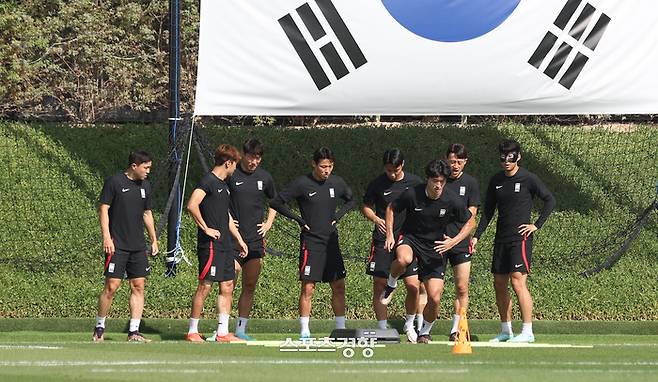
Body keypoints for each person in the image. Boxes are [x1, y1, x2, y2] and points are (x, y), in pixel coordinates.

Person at [380, 159, 474, 344]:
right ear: (427, 179)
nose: (438, 186)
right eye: (435, 181)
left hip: (435, 248)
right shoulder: (412, 194)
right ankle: (391, 284)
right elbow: (391, 208)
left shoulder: (451, 199)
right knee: (403, 259)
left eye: (442, 182)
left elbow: (470, 221)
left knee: (435, 296)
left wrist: (454, 241)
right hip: (411, 239)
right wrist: (390, 235)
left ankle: (425, 331)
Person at [471, 139, 555, 343]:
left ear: (518, 156)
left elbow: (550, 200)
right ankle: (506, 331)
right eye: (503, 157)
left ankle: (527, 331)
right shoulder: (496, 180)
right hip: (501, 239)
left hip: (520, 239)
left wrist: (536, 224)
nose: (507, 161)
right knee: (499, 283)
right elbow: (488, 212)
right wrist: (476, 236)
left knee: (518, 282)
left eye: (511, 157)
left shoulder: (528, 178)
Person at [270, 147, 355, 338]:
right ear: (314, 164)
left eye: (330, 166)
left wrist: (337, 217)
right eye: (323, 166)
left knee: (338, 285)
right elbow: (276, 202)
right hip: (311, 242)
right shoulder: (302, 183)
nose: (327, 170)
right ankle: (305, 330)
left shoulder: (337, 182)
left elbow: (351, 200)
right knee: (308, 287)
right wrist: (300, 220)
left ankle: (340, 329)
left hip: (331, 242)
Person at [93, 150, 159, 342]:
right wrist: (107, 237)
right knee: (112, 286)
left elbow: (147, 213)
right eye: (145, 168)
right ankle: (99, 328)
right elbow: (103, 209)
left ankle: (133, 332)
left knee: (138, 285)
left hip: (138, 246)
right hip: (117, 245)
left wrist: (153, 239)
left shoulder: (145, 185)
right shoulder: (114, 182)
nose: (148, 171)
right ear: (134, 166)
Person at [185, 144, 248, 343]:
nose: (235, 169)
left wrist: (239, 239)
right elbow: (192, 205)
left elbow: (226, 216)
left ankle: (222, 333)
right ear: (228, 163)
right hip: (210, 245)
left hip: (226, 245)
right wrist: (206, 228)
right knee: (205, 286)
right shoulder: (208, 181)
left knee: (227, 286)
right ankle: (192, 331)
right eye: (235, 165)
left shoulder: (224, 186)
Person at [362, 149, 424, 342]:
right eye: (388, 170)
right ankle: (382, 327)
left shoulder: (415, 183)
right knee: (379, 284)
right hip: (382, 240)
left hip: (408, 239)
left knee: (413, 285)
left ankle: (409, 324)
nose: (392, 174)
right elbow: (366, 206)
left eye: (395, 170)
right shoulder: (377, 184)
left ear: (402, 165)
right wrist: (374, 217)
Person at [228, 138, 277, 341]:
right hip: (233, 239)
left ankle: (241, 329)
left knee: (249, 285)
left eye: (258, 158)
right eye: (251, 157)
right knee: (228, 283)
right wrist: (228, 220)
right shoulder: (232, 174)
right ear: (243, 154)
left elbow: (275, 200)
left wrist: (268, 223)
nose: (254, 161)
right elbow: (219, 199)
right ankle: (221, 328)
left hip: (255, 240)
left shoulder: (264, 177)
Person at [443, 143, 480, 341]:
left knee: (462, 287)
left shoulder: (471, 183)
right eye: (452, 161)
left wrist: (456, 239)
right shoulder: (439, 180)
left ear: (465, 162)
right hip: (438, 242)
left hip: (460, 243)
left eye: (459, 162)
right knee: (430, 288)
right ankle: (422, 329)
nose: (455, 165)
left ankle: (457, 329)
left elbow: (471, 217)